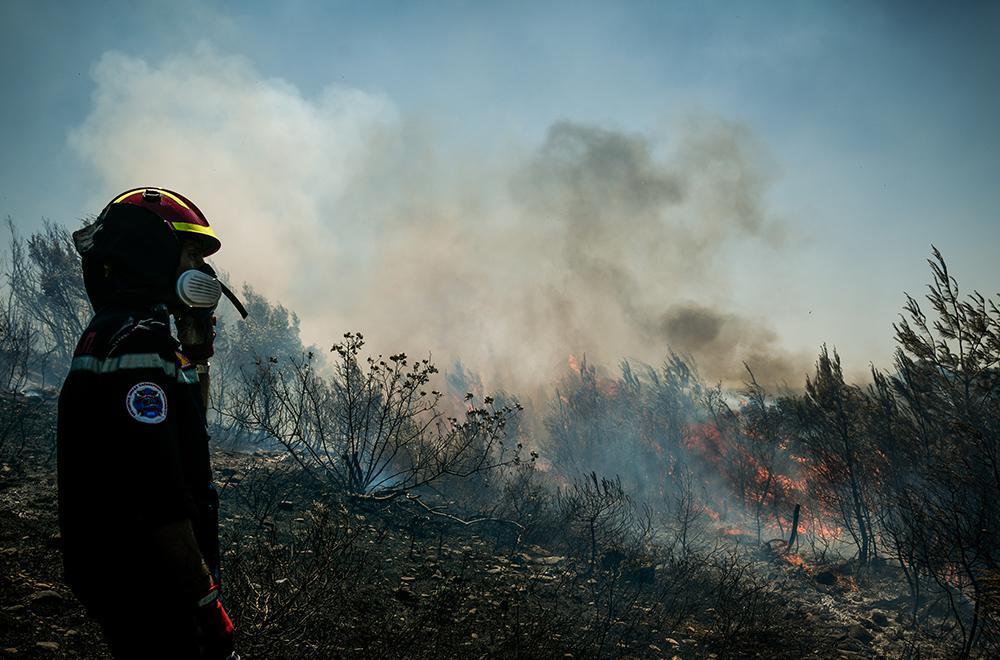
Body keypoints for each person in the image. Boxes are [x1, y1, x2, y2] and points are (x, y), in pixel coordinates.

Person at [57, 188, 236, 658]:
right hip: (153, 585)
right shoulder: (140, 345)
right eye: (193, 253)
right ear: (152, 251)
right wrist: (206, 601)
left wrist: (196, 354)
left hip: (123, 577)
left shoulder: (115, 332)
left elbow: (189, 429)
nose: (203, 271)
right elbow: (159, 496)